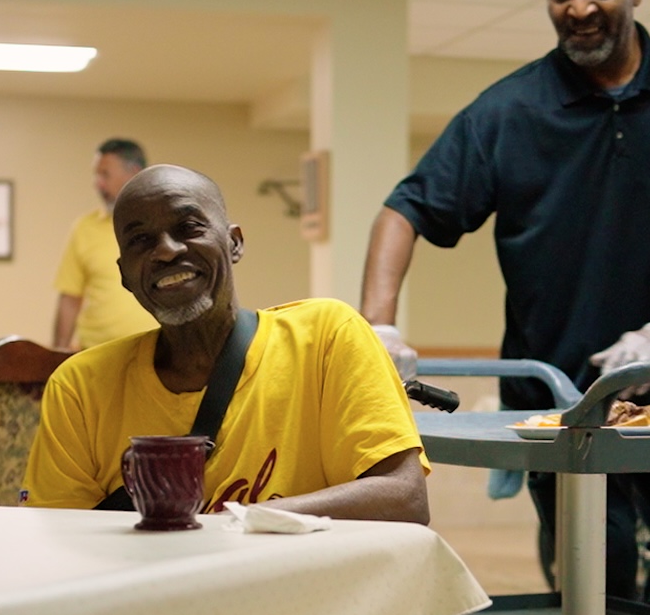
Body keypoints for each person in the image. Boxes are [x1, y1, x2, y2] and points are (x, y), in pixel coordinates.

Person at [359, 0, 650, 615]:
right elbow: (405, 210)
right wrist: (379, 326)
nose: (579, 8)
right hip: (554, 397)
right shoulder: (510, 110)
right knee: (598, 570)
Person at [23, 164, 429, 524]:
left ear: (234, 243)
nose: (166, 250)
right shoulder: (80, 387)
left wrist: (243, 524)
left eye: (188, 228)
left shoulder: (326, 337)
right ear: (125, 275)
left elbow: (404, 497)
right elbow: (56, 533)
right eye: (141, 241)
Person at [51, 137, 159, 351]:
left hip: (157, 356)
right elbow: (70, 299)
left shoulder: (163, 224)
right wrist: (58, 354)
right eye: (96, 174)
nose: (97, 183)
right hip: (95, 356)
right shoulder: (84, 228)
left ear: (135, 174)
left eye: (104, 174)